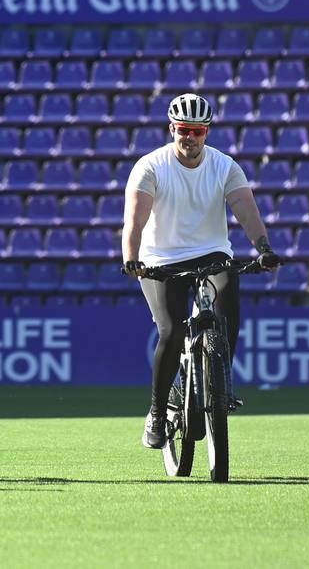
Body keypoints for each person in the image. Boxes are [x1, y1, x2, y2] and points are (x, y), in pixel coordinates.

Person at [120, 92, 282, 450]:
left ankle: (219, 382)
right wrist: (131, 258)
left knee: (228, 297)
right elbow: (135, 219)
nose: (189, 137)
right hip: (160, 259)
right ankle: (158, 413)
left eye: (197, 130)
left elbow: (245, 208)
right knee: (171, 330)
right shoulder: (151, 166)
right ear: (171, 128)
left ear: (206, 132)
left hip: (211, 252)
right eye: (183, 129)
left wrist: (264, 248)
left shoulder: (224, 166)